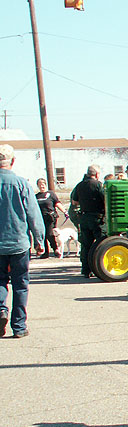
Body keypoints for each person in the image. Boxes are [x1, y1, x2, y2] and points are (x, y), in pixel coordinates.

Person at [0, 144, 44, 338]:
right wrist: (39, 240)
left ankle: (1, 310)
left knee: (0, 281)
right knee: (20, 284)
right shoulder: (21, 184)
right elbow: (33, 214)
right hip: (18, 242)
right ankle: (19, 326)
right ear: (13, 161)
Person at [70, 165, 105, 278]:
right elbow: (105, 199)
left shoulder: (79, 185)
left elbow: (74, 202)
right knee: (101, 243)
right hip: (97, 217)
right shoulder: (98, 185)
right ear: (96, 174)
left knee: (86, 245)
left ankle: (86, 270)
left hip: (84, 217)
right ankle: (100, 268)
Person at [34, 178, 65, 258]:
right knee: (42, 235)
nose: (42, 186)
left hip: (50, 217)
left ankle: (55, 249)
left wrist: (65, 211)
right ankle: (45, 252)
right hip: (40, 218)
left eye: (43, 184)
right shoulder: (36, 196)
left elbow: (57, 203)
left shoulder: (50, 194)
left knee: (49, 234)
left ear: (45, 185)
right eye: (40, 184)